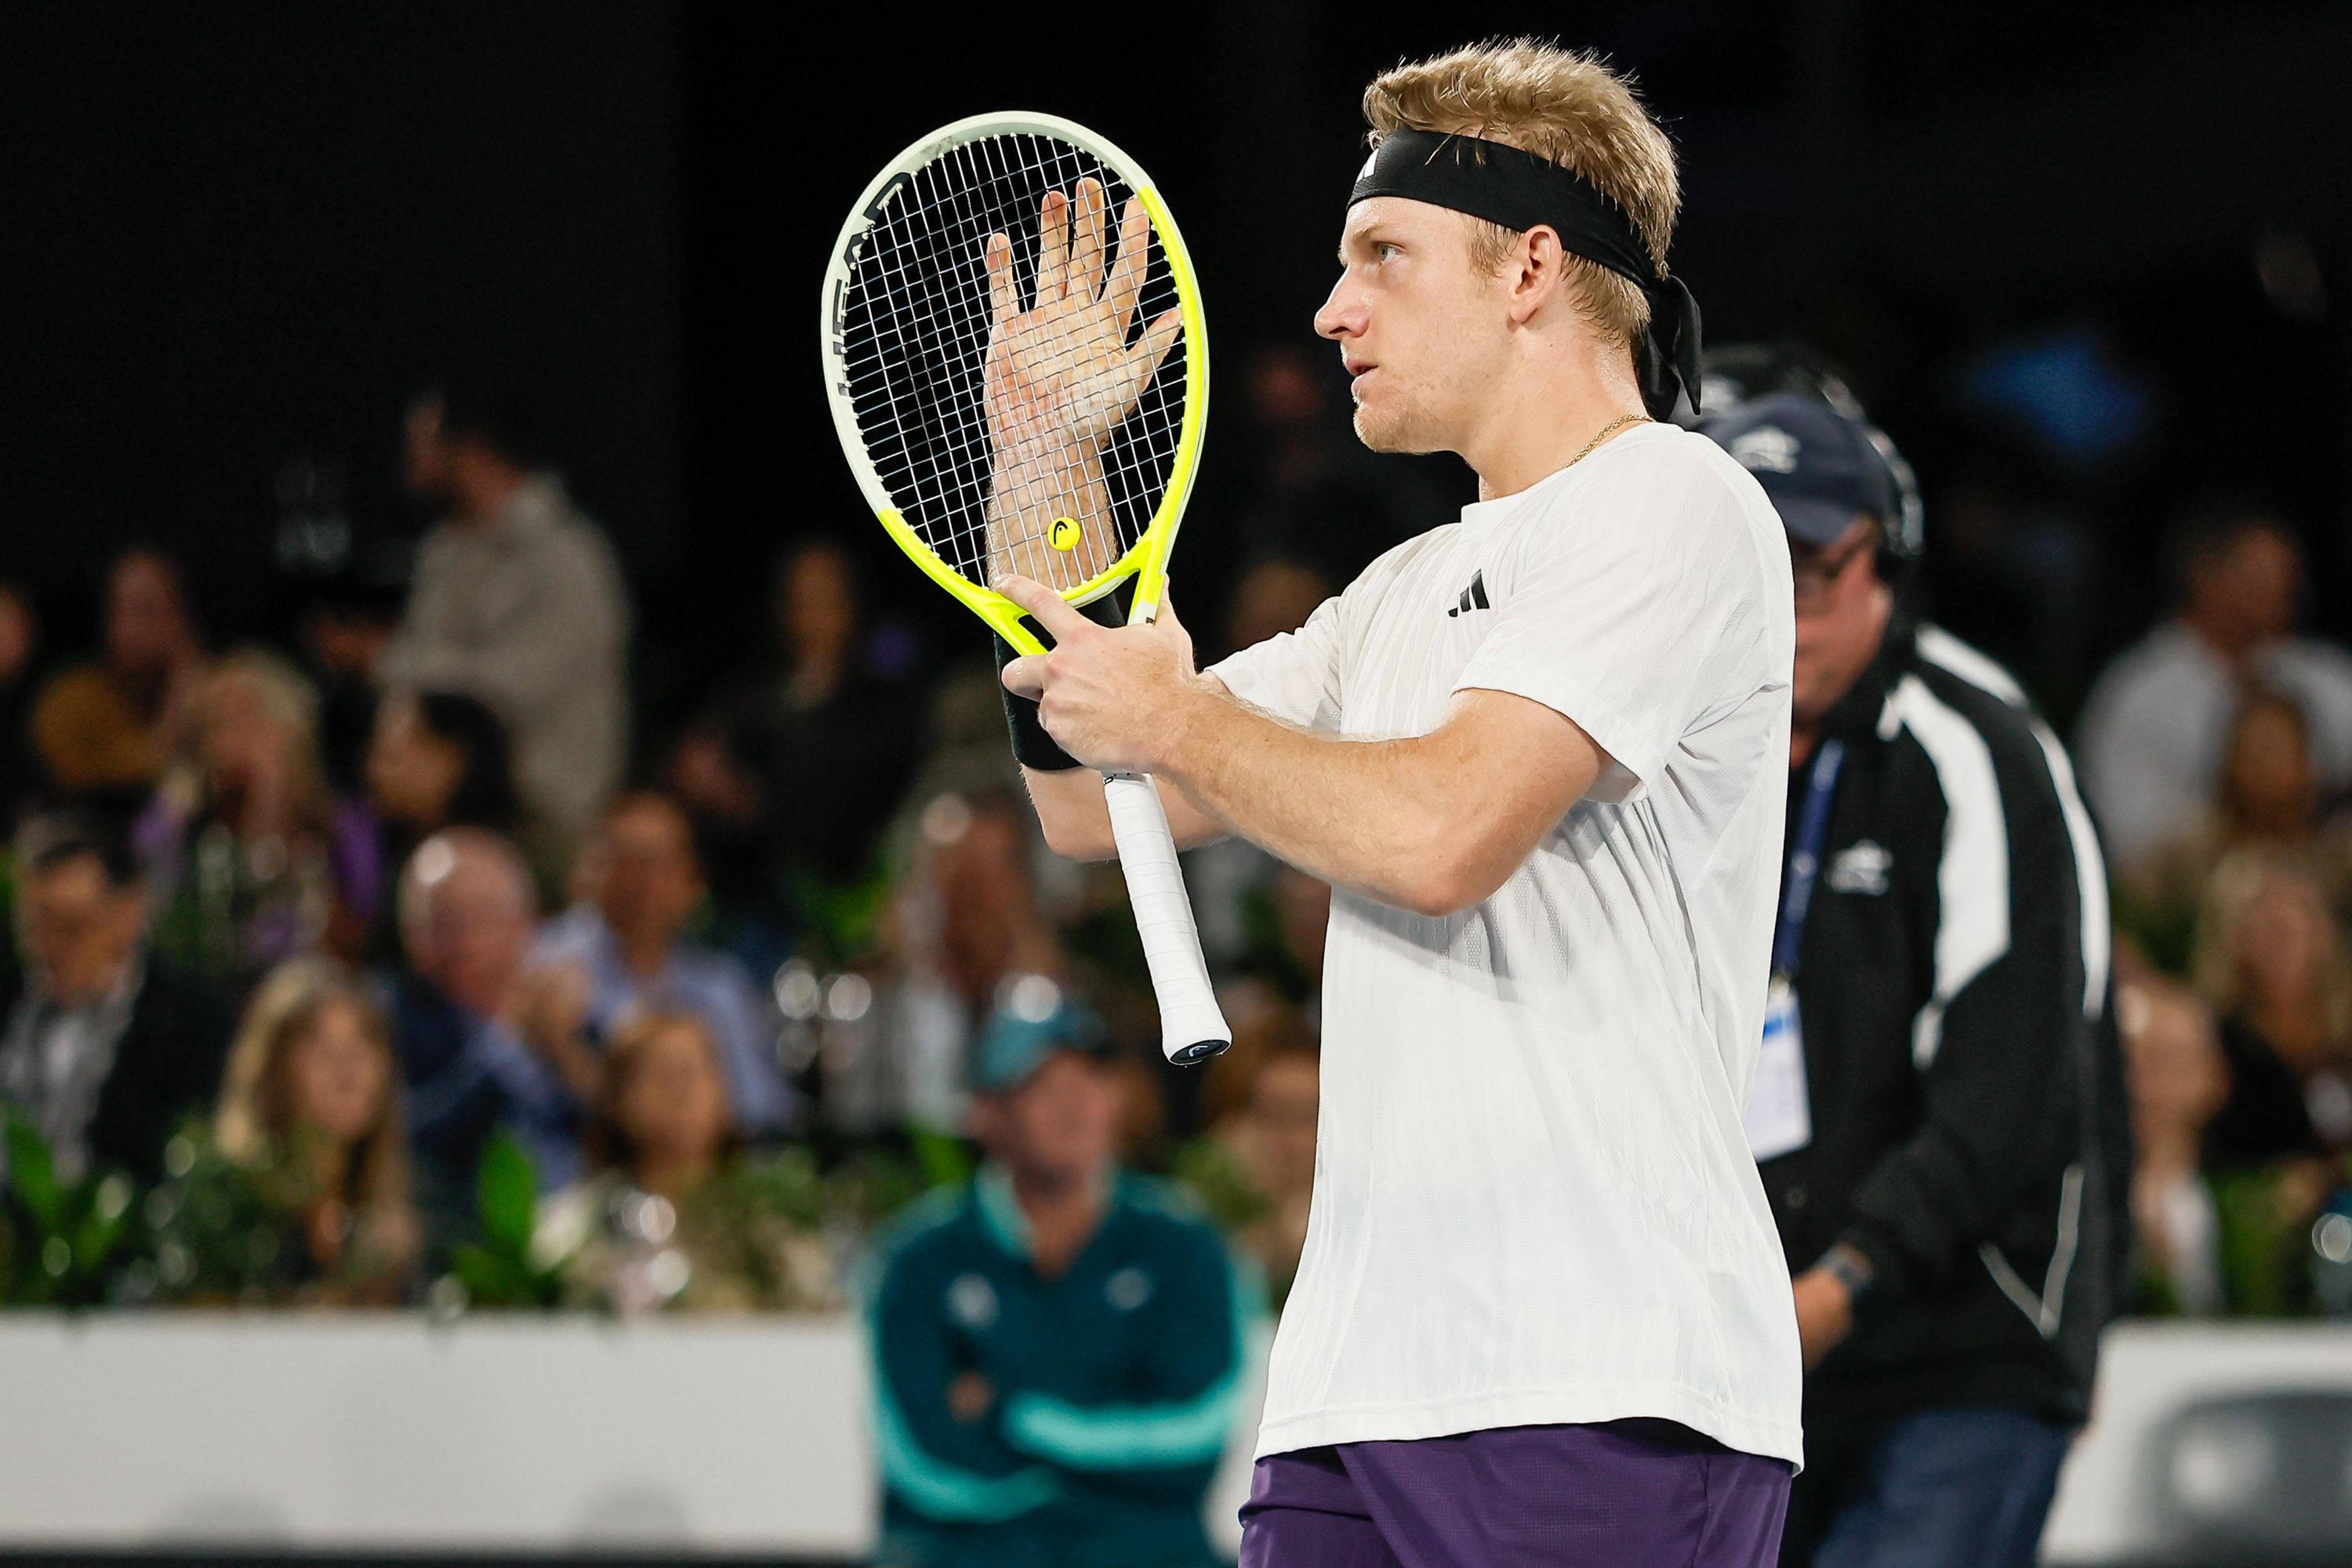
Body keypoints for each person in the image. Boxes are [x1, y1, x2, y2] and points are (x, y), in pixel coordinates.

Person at [996, 42, 1799, 1564]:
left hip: (1600, 1385)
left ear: (1531, 269)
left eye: (1382, 254)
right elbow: (1097, 807)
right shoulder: (1397, 595)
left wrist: (1180, 713)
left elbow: (1442, 836)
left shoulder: (1675, 501)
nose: (1333, 309)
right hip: (1355, 1393)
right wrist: (1048, 467)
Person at [1696, 391, 2129, 1568]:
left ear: (1885, 562)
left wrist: (1838, 1286)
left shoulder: (1975, 750)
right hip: (1745, 1355)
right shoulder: (1666, 753)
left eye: (1811, 575)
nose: (1780, 614)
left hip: (1961, 1344)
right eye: (1744, 574)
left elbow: (2014, 1088)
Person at [863, 992, 1254, 1568]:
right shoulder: (918, 1257)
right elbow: (919, 1464)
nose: (1073, 1104)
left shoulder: (1185, 1245)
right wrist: (1106, 1471)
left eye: (1090, 1080)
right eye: (1041, 1086)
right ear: (986, 1113)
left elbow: (1197, 1434)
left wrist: (1013, 1410)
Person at [379, 375, 630, 885]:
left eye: (424, 444)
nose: (411, 460)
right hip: (454, 813)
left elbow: (510, 688)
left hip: (546, 824)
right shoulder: (447, 551)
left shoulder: (567, 557)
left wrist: (385, 660)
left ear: (469, 449)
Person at [2076, 500, 2352, 875]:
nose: (2283, 586)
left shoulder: (2323, 675)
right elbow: (2126, 841)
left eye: (2288, 573)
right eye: (2261, 573)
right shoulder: (2137, 693)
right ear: (2203, 575)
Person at [532, 1010, 834, 1313]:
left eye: (693, 1073)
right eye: (662, 1075)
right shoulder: (577, 1227)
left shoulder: (766, 1226)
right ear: (619, 1099)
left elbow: (815, 1310)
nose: (681, 1092)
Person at [534, 789, 793, 1137]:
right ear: (591, 869)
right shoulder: (548, 963)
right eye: (627, 862)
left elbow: (760, 1111)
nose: (645, 883)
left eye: (660, 864)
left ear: (691, 880)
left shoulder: (719, 985)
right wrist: (562, 1050)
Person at [0, 811, 232, 1185]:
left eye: (70, 928)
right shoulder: (10, 1003)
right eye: (32, 929)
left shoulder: (190, 1023)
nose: (46, 948)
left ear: (128, 915)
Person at [386, 828, 583, 1240]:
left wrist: (566, 1051)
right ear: (409, 934)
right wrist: (505, 1041)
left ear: (527, 925)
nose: (462, 943)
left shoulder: (567, 1010)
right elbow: (412, 1134)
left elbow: (613, 1127)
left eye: (481, 919)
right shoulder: (390, 1018)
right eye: (440, 923)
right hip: (455, 1238)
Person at [136, 648, 361, 1001]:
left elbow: (352, 943)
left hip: (302, 999)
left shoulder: (336, 824)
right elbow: (158, 926)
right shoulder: (174, 822)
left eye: (252, 721)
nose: (233, 741)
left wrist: (271, 810)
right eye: (218, 724)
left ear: (291, 730)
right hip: (201, 998)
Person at [212, 958, 421, 1303]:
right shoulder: (227, 1208)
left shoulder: (403, 1220)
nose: (347, 1068)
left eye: (363, 1043)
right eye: (320, 1046)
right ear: (273, 1067)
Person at [30, 548, 207, 806]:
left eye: (145, 611)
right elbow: (128, 777)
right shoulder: (70, 699)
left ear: (180, 618)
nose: (129, 628)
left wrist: (187, 674)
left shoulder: (213, 692)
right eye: (118, 610)